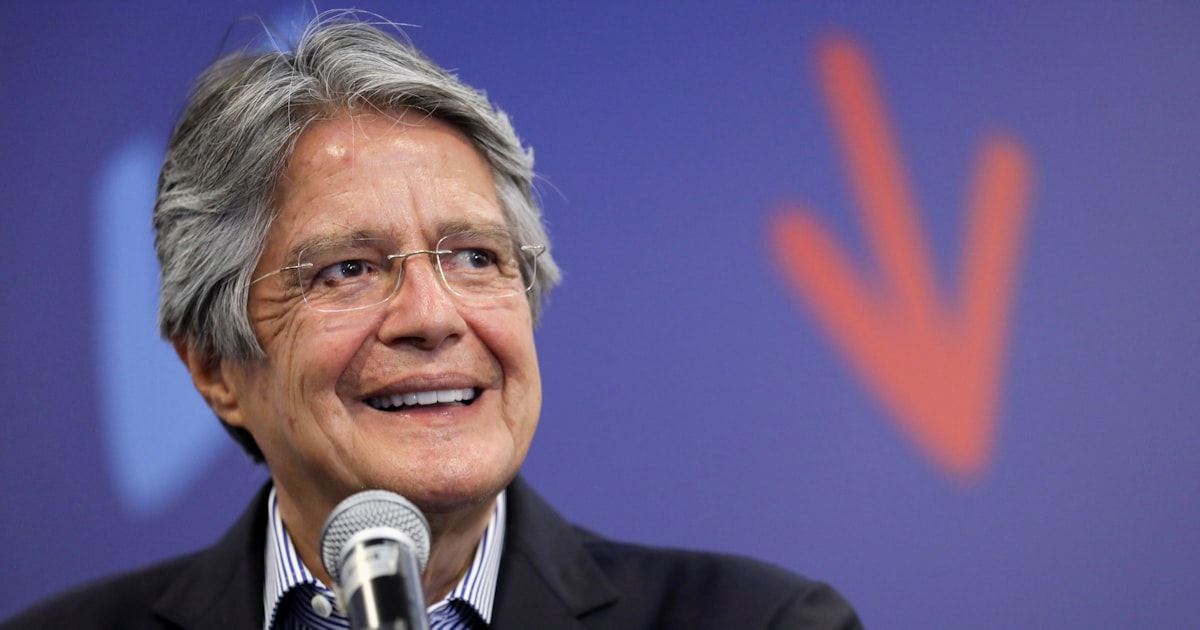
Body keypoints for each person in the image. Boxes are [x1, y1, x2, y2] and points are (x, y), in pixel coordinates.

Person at [1, 12, 860, 630]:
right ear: (215, 367)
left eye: (475, 258)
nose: (432, 315)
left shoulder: (763, 621)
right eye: (346, 269)